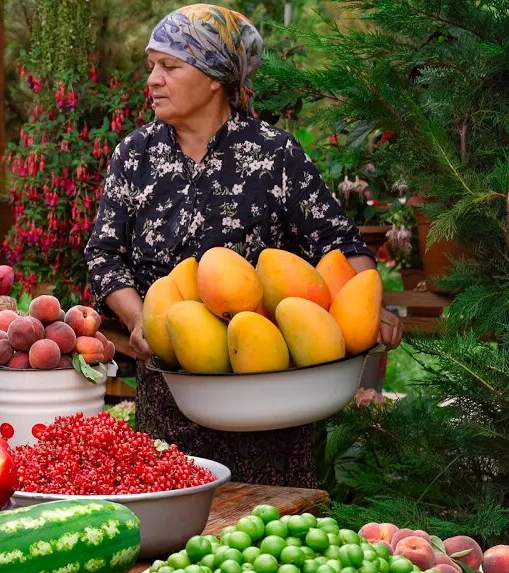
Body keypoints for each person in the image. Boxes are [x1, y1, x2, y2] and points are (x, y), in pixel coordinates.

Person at [83, 3, 402, 487]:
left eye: (169, 66)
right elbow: (104, 256)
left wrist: (369, 300)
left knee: (268, 532)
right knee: (176, 541)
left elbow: (337, 241)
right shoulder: (136, 154)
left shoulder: (274, 154)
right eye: (151, 66)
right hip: (173, 393)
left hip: (266, 399)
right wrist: (137, 318)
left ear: (214, 77)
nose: (152, 79)